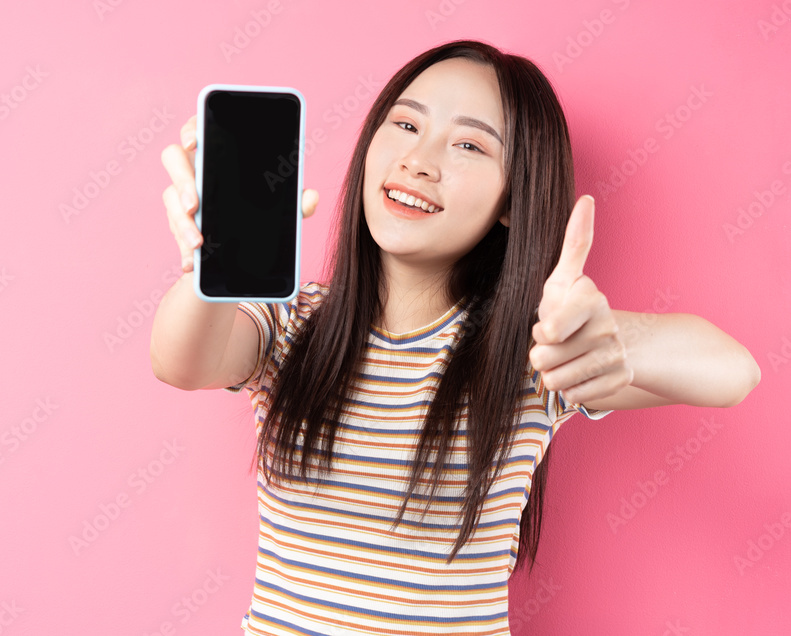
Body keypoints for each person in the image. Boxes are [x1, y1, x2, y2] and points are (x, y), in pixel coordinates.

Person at [152, 39, 760, 635]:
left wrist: (614, 340)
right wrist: (214, 265)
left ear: (511, 201)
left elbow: (734, 372)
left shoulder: (533, 352)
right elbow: (180, 362)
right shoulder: (291, 323)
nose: (420, 160)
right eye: (406, 125)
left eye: (469, 144)